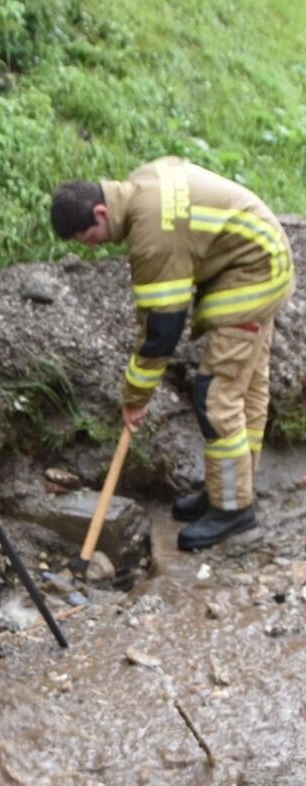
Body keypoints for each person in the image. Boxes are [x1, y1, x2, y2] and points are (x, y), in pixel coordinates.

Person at [50, 157, 295, 551]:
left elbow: (161, 331)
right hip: (262, 256)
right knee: (245, 387)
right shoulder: (140, 187)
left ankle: (233, 509)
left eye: (90, 237)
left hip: (252, 274)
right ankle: (230, 490)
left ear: (100, 211)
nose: (94, 247)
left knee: (216, 394)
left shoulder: (152, 234)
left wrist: (134, 397)